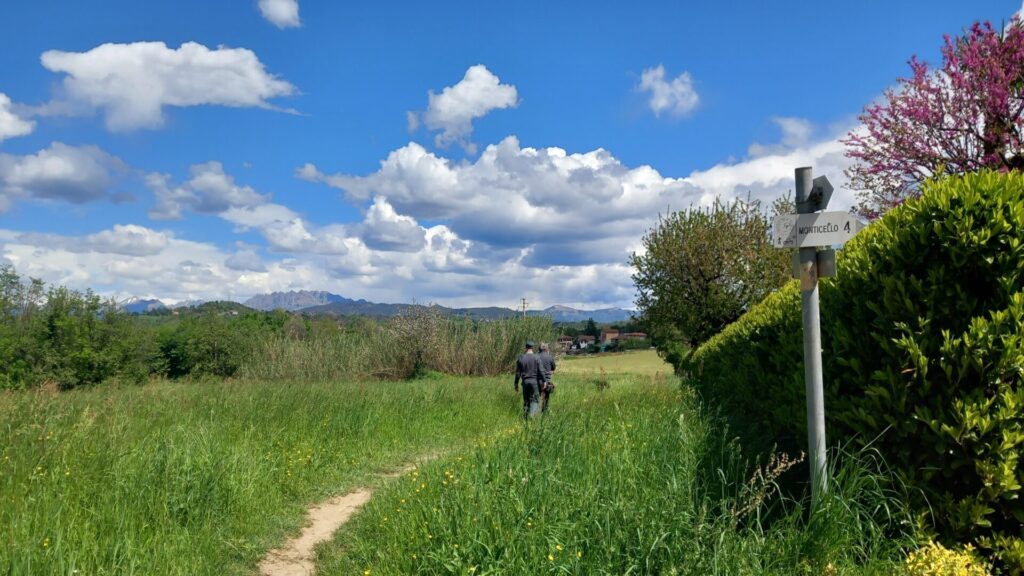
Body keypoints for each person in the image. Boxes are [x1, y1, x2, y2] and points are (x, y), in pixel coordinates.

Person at [513, 340, 544, 419]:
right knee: (535, 400)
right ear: (532, 348)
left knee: (526, 401)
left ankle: (525, 419)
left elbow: (517, 374)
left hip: (525, 383)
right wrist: (545, 381)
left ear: (526, 347)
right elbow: (541, 371)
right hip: (534, 383)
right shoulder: (537, 357)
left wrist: (516, 384)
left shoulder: (521, 358)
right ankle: (532, 416)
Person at [538, 342, 556, 413]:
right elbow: (553, 367)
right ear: (546, 349)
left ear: (539, 349)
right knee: (546, 397)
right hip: (547, 380)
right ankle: (545, 411)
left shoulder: (536, 356)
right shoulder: (550, 357)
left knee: (537, 397)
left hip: (538, 380)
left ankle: (536, 412)